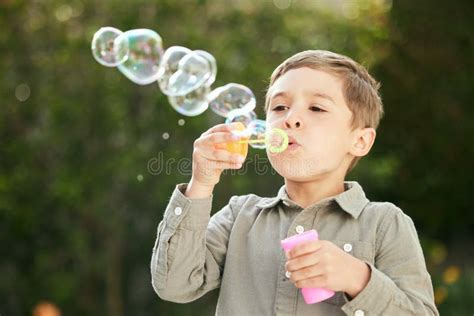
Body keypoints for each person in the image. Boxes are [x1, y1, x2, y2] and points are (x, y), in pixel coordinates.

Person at [150, 50, 439, 315]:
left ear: (360, 140)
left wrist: (358, 278)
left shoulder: (385, 223)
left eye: (316, 108)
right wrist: (200, 183)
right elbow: (175, 285)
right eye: (279, 107)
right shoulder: (240, 216)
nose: (291, 119)